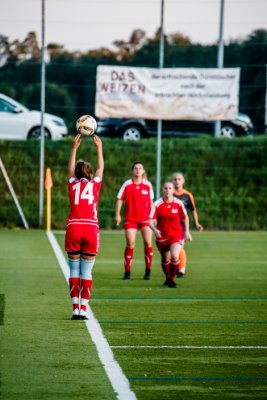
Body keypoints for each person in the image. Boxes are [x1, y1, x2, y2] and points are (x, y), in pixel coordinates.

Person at [65, 133, 104, 320]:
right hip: (90, 228)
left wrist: (74, 148)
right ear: (89, 173)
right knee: (86, 271)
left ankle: (74, 309)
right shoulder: (95, 184)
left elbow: (70, 171)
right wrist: (99, 148)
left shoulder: (72, 184)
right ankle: (83, 309)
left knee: (74, 270)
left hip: (74, 227)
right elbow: (101, 168)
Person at [149, 181, 192, 288]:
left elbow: (185, 217)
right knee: (165, 259)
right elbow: (150, 220)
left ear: (173, 190)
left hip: (176, 234)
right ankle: (168, 278)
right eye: (165, 188)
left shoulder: (178, 203)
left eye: (169, 188)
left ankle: (172, 280)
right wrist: (154, 230)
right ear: (162, 190)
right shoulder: (157, 204)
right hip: (162, 236)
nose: (167, 190)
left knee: (174, 256)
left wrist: (187, 231)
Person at [115, 161, 154, 280]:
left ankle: (148, 270)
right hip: (130, 219)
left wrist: (152, 218)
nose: (138, 170)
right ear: (132, 171)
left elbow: (151, 202)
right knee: (130, 243)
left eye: (140, 168)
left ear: (143, 171)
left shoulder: (148, 185)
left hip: (145, 219)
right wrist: (117, 214)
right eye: (135, 168)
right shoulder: (127, 184)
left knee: (148, 242)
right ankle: (127, 272)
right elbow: (119, 199)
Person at [173, 172, 203, 277]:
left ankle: (181, 270)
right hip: (169, 226)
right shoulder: (168, 193)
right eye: (175, 179)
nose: (177, 181)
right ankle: (175, 268)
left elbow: (193, 210)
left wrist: (197, 223)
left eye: (179, 179)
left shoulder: (187, 195)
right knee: (170, 251)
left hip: (181, 226)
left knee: (179, 247)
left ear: (183, 181)